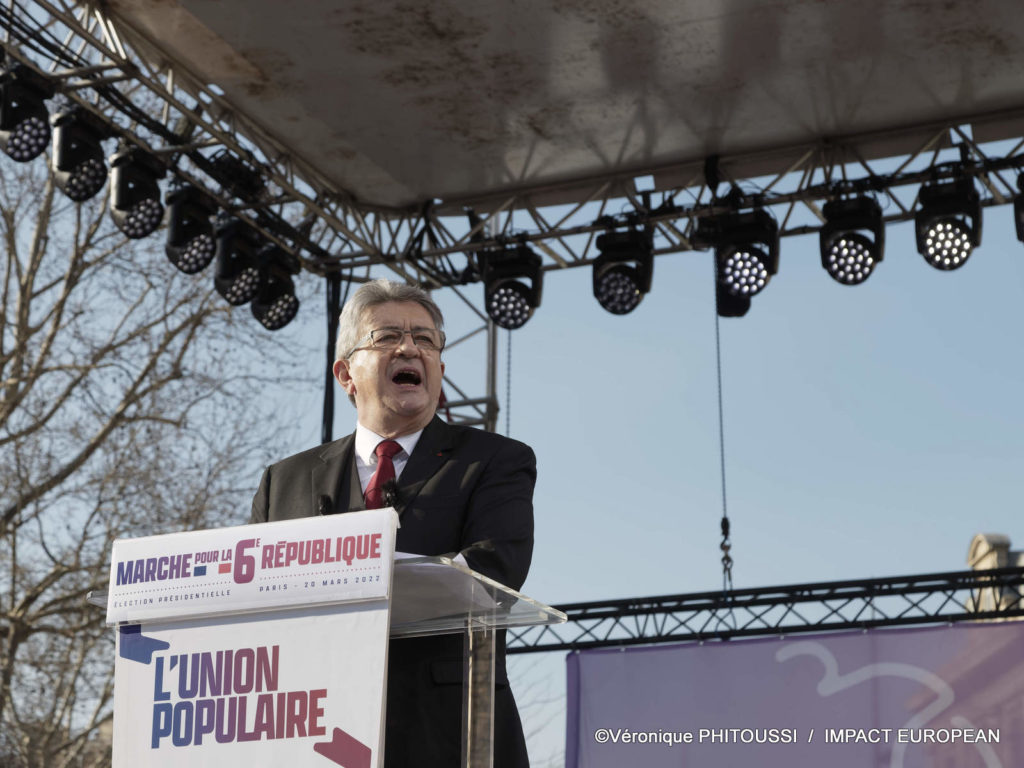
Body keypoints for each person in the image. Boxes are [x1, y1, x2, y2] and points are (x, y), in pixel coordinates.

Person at [250, 279, 535, 767]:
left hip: (451, 732)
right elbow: (254, 604)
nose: (409, 347)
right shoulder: (285, 481)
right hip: (312, 733)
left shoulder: (494, 460)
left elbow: (494, 572)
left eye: (425, 339)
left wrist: (360, 575)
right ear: (346, 374)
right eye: (387, 337)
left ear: (439, 370)